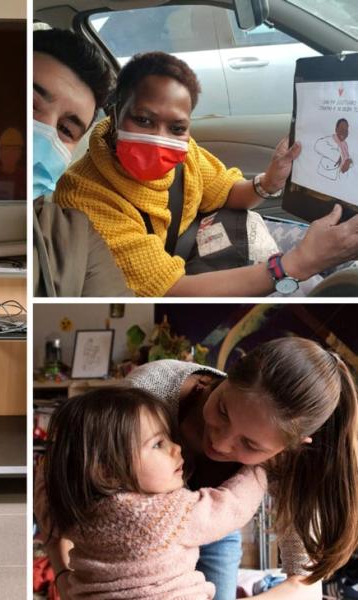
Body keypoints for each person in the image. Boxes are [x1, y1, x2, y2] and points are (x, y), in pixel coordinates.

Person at [36, 337, 358, 599]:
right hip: (124, 536)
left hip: (211, 524)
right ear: (228, 373)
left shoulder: (292, 465)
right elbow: (62, 475)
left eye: (250, 445)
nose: (220, 443)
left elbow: (303, 584)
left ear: (288, 449)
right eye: (223, 412)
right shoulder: (152, 390)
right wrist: (63, 572)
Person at [53, 51, 358, 296]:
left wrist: (268, 182)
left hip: (208, 249)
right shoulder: (85, 196)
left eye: (176, 127)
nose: (160, 138)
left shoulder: (186, 154)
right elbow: (171, 290)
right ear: (116, 111)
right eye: (144, 120)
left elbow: (226, 191)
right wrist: (296, 264)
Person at [41, 386, 267, 599]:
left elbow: (44, 497)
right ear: (107, 471)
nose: (176, 448)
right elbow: (233, 505)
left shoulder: (74, 507)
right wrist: (261, 467)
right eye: (158, 444)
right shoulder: (165, 514)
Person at [32, 28, 133, 297]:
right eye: (31, 105)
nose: (45, 131)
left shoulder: (78, 236)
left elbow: (122, 323)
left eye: (66, 129)